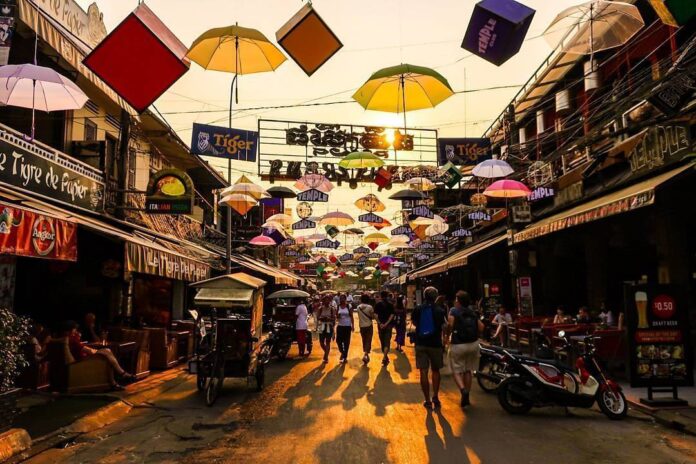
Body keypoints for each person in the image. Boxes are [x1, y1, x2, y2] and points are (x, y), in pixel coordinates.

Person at [64, 321, 134, 390]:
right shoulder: (72, 339)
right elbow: (88, 351)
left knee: (107, 352)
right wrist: (98, 352)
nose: (76, 331)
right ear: (71, 329)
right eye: (75, 329)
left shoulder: (70, 338)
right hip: (82, 361)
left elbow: (84, 348)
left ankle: (117, 379)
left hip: (84, 358)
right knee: (107, 352)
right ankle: (120, 375)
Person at [411, 287, 447, 409]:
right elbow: (444, 326)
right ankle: (435, 396)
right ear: (436, 296)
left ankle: (427, 400)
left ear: (424, 296)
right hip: (435, 344)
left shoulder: (418, 309)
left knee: (423, 371)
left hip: (421, 343)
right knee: (436, 370)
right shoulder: (440, 310)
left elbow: (415, 323)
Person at [448, 291, 484, 407]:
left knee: (456, 370)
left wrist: (447, 335)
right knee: (468, 370)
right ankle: (467, 394)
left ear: (458, 301)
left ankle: (463, 390)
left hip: (458, 344)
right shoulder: (473, 312)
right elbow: (482, 327)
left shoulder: (454, 311)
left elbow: (450, 325)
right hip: (473, 344)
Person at [375, 291, 395, 366]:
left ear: (381, 296)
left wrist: (380, 323)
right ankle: (385, 357)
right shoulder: (390, 305)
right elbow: (392, 315)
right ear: (387, 296)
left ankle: (385, 357)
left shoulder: (378, 305)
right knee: (387, 341)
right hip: (388, 326)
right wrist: (386, 323)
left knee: (382, 341)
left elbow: (375, 315)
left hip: (380, 326)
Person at [356, 293, 376, 364]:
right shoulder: (370, 307)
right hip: (369, 325)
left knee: (364, 340)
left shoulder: (358, 307)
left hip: (361, 326)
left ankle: (365, 352)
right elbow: (373, 317)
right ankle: (366, 354)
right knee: (368, 339)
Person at [317, 295, 337, 363]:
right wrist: (322, 318)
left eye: (328, 300)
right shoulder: (320, 308)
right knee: (321, 342)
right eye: (325, 300)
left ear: (330, 301)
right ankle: (326, 352)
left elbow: (334, 319)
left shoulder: (332, 309)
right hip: (321, 326)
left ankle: (326, 357)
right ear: (323, 301)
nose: (327, 301)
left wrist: (329, 319)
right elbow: (317, 317)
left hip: (329, 326)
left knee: (328, 342)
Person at [335, 294, 354, 363]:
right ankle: (342, 352)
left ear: (345, 299)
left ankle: (345, 357)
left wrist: (353, 325)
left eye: (343, 298)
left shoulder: (349, 306)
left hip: (347, 326)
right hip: (340, 326)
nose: (341, 300)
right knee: (338, 341)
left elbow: (351, 316)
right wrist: (337, 316)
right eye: (340, 298)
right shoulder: (338, 306)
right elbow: (336, 316)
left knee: (346, 342)